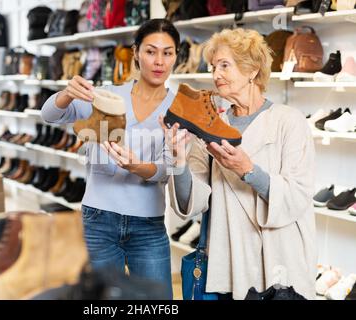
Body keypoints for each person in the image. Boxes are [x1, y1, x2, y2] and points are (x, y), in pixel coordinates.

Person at [161, 28, 317, 300]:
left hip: (278, 260)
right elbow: (191, 203)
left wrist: (248, 170)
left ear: (252, 71)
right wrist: (178, 159)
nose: (215, 74)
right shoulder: (209, 128)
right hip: (228, 262)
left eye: (224, 65)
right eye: (213, 67)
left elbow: (298, 196)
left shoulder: (288, 121)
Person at [41, 19, 180, 299]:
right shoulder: (106, 96)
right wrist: (68, 94)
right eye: (151, 51)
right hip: (98, 219)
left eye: (168, 53)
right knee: (98, 301)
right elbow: (50, 115)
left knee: (157, 302)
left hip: (148, 226)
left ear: (177, 56)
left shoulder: (178, 108)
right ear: (136, 53)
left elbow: (168, 169)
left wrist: (137, 167)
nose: (159, 61)